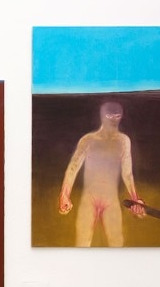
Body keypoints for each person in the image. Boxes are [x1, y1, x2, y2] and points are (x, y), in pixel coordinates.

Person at [58, 101, 145, 247]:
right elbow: (73, 167)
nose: (113, 120)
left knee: (117, 243)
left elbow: (127, 173)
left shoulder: (123, 141)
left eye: (117, 116)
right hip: (89, 198)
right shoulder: (88, 140)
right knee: (82, 244)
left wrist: (135, 199)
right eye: (110, 116)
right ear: (102, 116)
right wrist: (64, 195)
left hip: (111, 199)